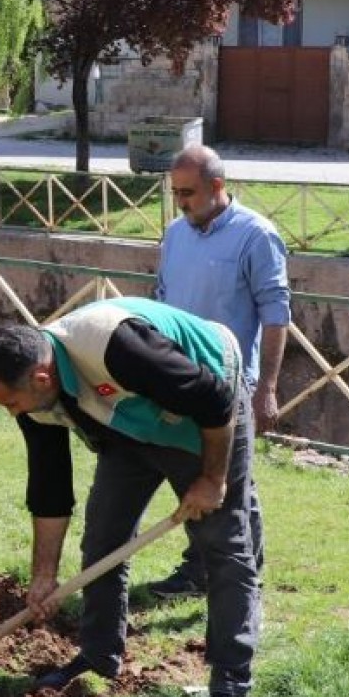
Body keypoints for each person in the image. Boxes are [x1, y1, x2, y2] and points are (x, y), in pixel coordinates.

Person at [0, 296, 261, 697]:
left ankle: (230, 687)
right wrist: (44, 576)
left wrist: (213, 480)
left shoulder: (115, 345)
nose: (13, 413)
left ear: (41, 376)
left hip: (207, 408)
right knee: (103, 537)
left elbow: (213, 399)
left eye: (12, 403)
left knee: (221, 545)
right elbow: (49, 487)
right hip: (129, 426)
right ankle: (99, 656)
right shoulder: (35, 397)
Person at [145, 144, 290, 600]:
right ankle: (199, 568)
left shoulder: (256, 235)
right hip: (178, 379)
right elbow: (162, 299)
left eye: (188, 193)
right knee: (194, 477)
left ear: (217, 187)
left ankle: (243, 572)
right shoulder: (175, 233)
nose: (181, 202)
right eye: (175, 193)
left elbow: (276, 315)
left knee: (233, 482)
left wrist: (266, 387)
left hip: (230, 383)